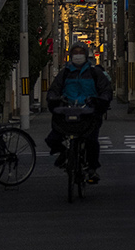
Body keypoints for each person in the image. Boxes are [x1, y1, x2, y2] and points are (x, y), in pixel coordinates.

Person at [46, 43, 112, 182]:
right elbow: (54, 90)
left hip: (89, 113)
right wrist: (54, 98)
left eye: (80, 52)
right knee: (53, 139)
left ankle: (92, 169)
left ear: (86, 55)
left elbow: (106, 90)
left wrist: (100, 101)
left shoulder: (95, 73)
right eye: (75, 52)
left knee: (91, 141)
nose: (78, 55)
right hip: (67, 112)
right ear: (71, 55)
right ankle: (65, 154)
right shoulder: (65, 73)